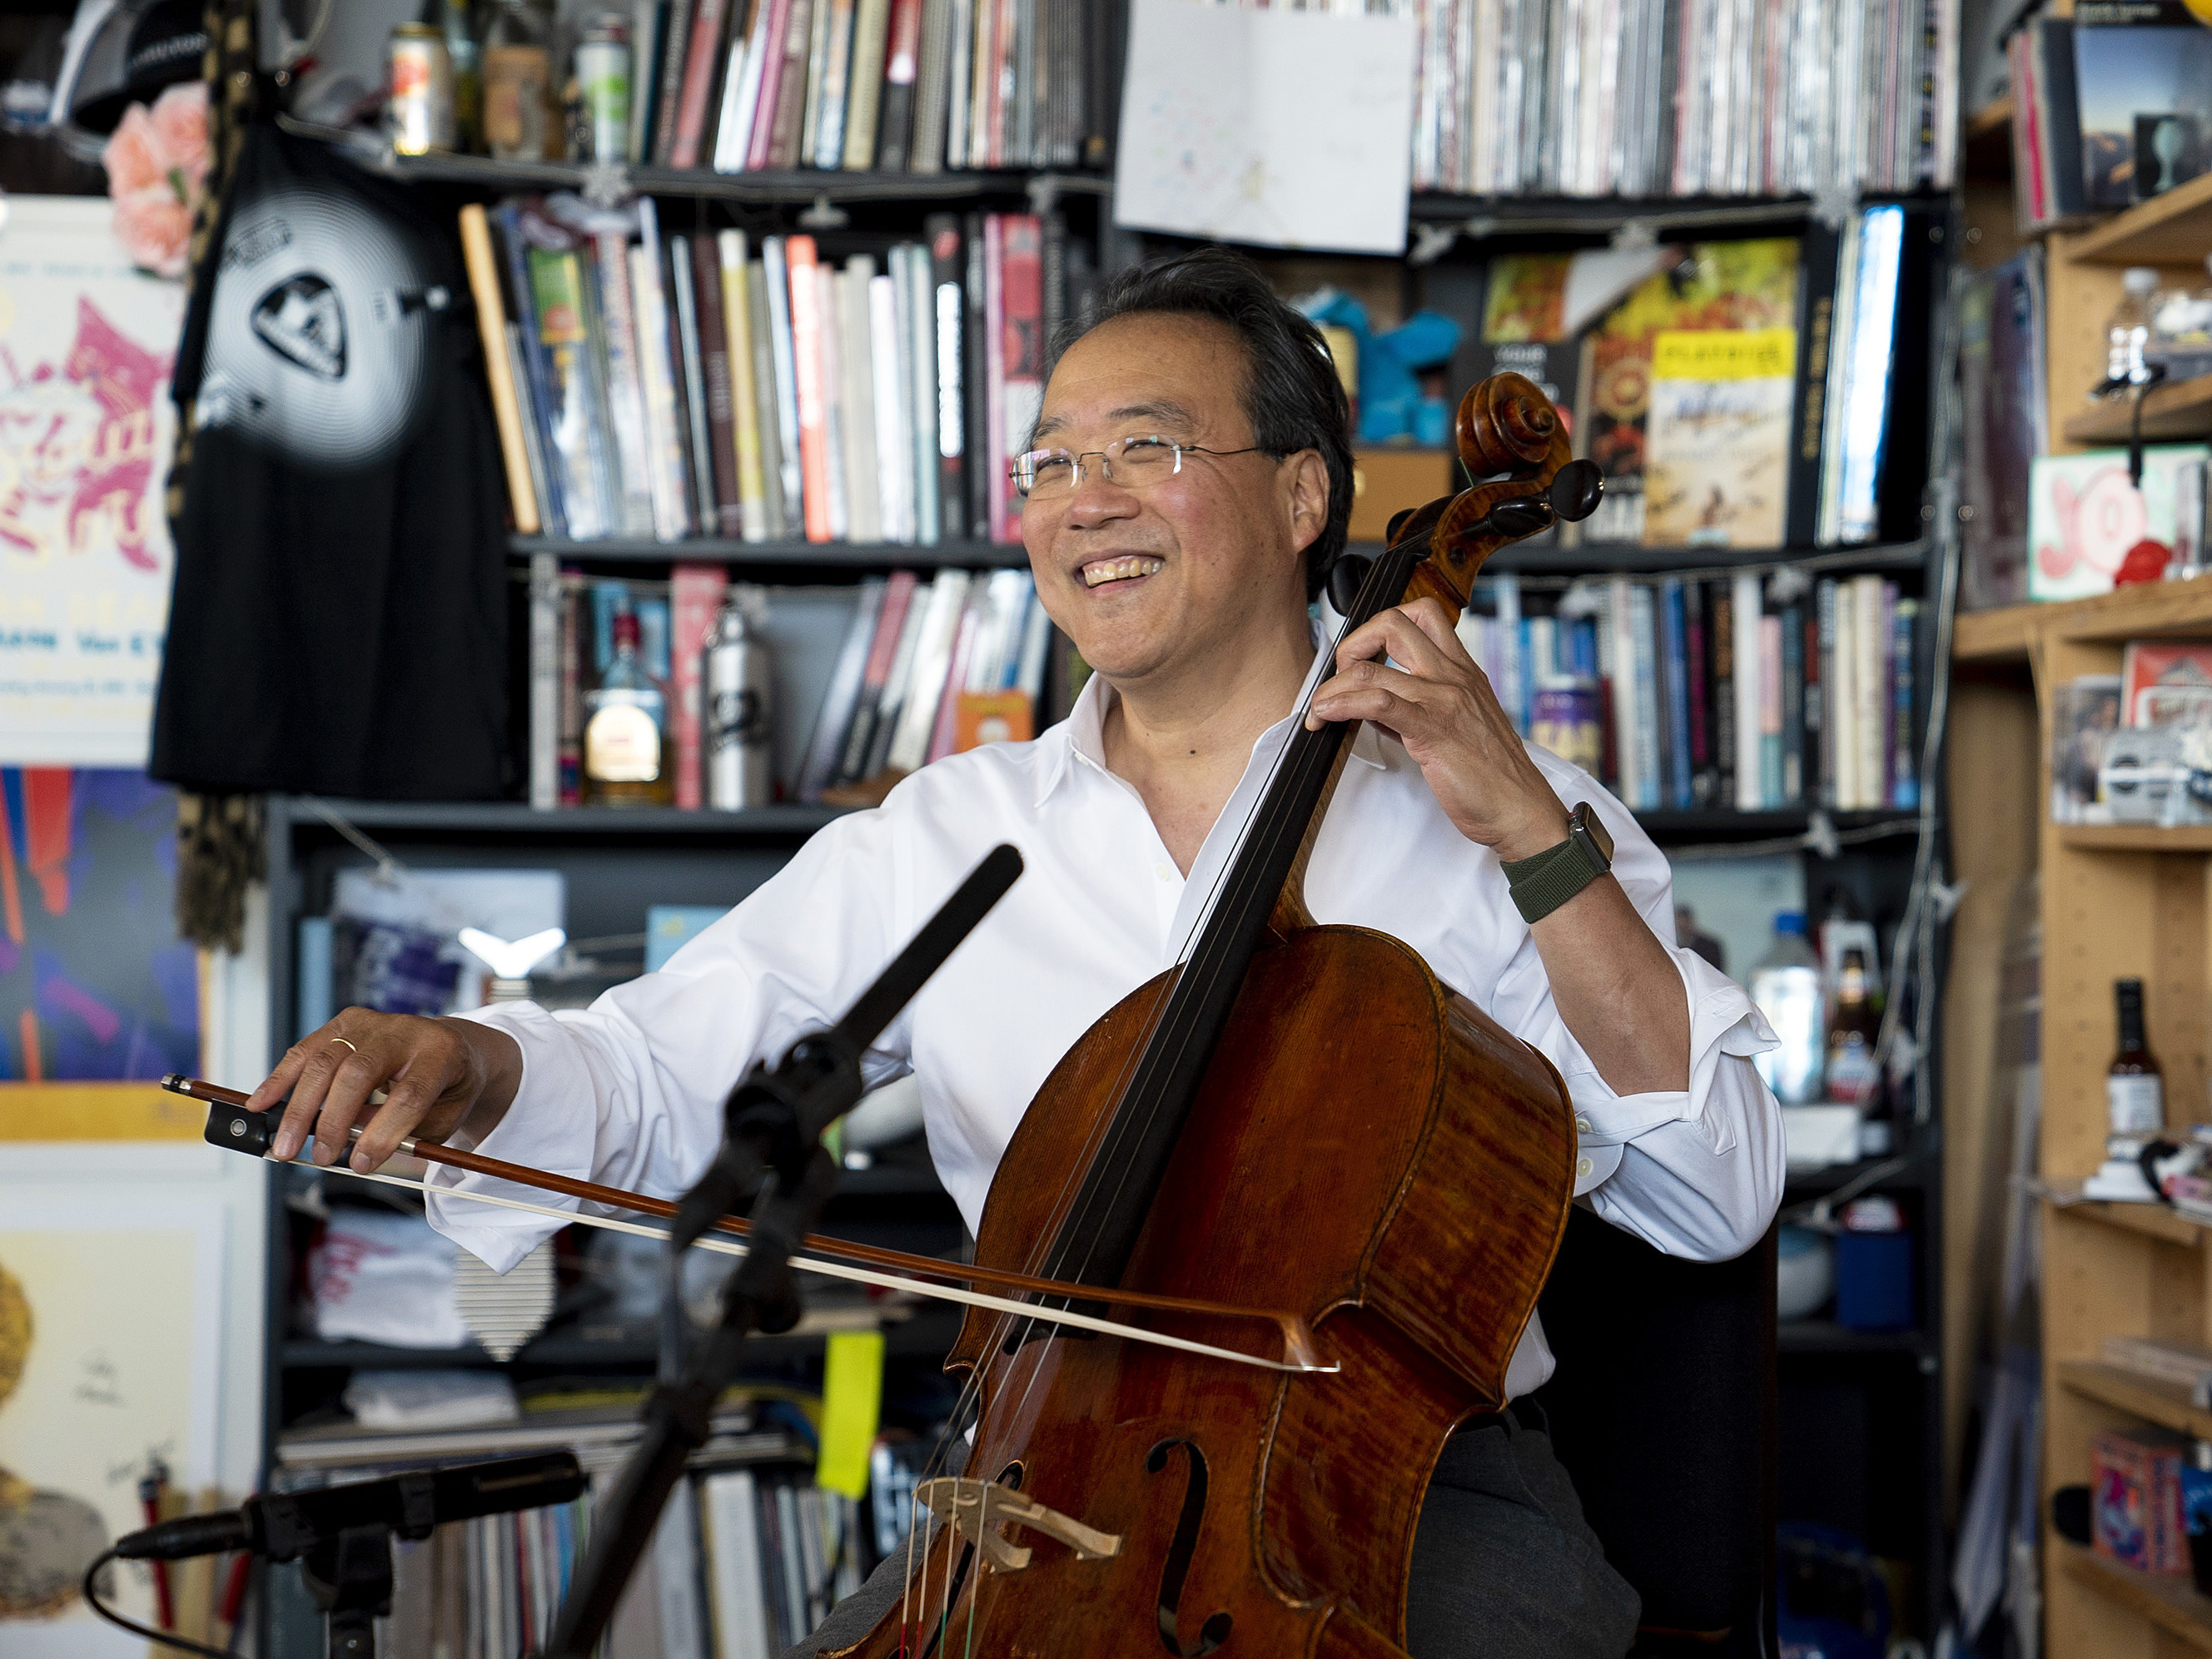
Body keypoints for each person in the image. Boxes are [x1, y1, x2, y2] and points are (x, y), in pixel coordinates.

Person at [246, 247, 1783, 1659]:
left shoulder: (1511, 814)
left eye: (1144, 449)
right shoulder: (948, 833)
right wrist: (470, 1061)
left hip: (1409, 1490)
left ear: (1304, 494)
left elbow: (1711, 1193)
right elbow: (660, 1067)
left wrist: (1528, 834)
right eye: (1051, 462)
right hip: (1041, 1483)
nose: (1082, 502)